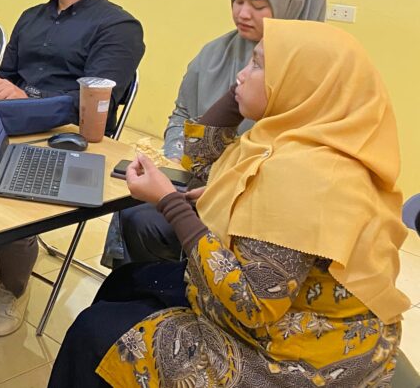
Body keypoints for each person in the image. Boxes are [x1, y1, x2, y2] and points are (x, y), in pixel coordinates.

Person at [50, 20, 408, 387]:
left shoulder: (306, 175)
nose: (239, 74)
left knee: (93, 335)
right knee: (127, 281)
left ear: (300, 83)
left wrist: (170, 203)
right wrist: (244, 94)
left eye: (257, 64)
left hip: (297, 358)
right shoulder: (294, 136)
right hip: (290, 316)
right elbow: (201, 160)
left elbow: (251, 305)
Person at [106, 0, 327, 266]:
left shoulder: (314, 71)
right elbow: (183, 112)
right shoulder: (216, 53)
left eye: (258, 5)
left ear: (293, 6)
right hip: (200, 174)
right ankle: (149, 289)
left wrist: (218, 184)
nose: (242, 13)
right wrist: (176, 153)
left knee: (148, 221)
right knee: (132, 201)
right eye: (237, 1)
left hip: (258, 201)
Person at [0, 0, 145, 337]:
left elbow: (90, 103)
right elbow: (6, 78)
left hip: (69, 139)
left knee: (12, 195)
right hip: (13, 124)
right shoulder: (31, 16)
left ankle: (12, 286)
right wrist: (3, 94)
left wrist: (25, 103)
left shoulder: (118, 28)